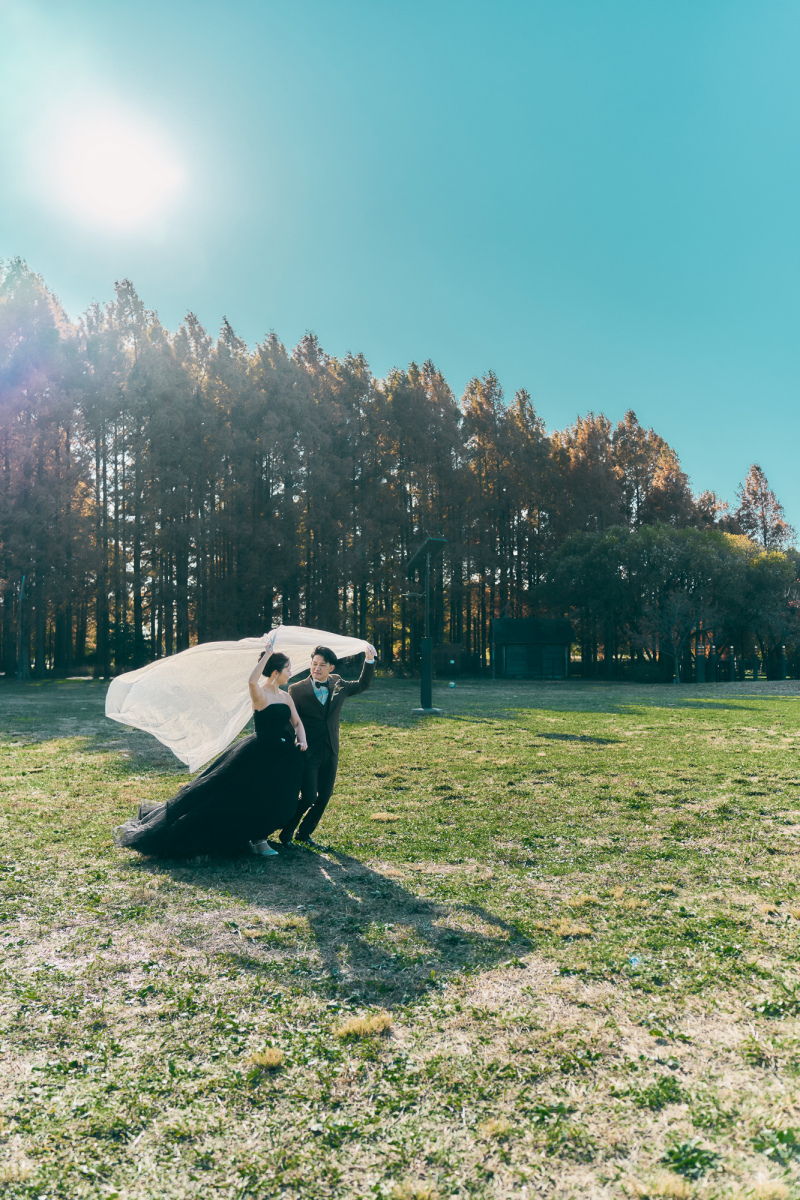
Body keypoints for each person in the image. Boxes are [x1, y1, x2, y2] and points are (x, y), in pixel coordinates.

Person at [113, 650, 307, 858]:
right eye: (287, 668)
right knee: (245, 796)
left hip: (282, 755)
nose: (290, 672)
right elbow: (252, 680)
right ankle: (257, 840)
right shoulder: (259, 693)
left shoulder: (286, 697)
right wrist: (268, 654)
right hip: (258, 755)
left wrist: (302, 739)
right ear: (276, 672)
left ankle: (260, 835)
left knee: (277, 798)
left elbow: (297, 722)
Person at [280, 643, 376, 848]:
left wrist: (369, 660)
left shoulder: (338, 683)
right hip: (308, 751)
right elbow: (291, 721)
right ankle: (286, 831)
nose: (317, 668)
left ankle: (304, 833)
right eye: (314, 664)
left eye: (322, 665)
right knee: (307, 797)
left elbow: (362, 685)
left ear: (331, 668)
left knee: (324, 796)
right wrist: (287, 745)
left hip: (331, 749)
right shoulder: (296, 689)